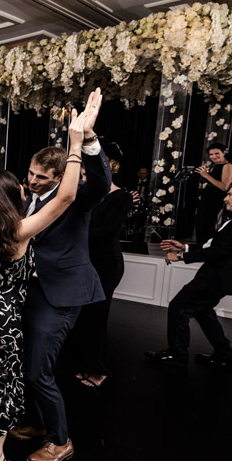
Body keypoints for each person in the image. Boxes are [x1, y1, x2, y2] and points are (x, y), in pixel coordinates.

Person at [0, 94, 93, 461]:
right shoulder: (19, 231)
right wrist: (74, 146)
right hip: (2, 315)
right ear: (11, 197)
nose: (26, 185)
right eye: (21, 183)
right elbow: (66, 196)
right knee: (6, 381)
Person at [10, 88, 110, 461]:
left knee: (38, 369)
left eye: (40, 177)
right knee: (28, 364)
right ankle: (38, 423)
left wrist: (87, 141)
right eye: (31, 174)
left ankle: (60, 440)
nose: (33, 181)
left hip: (62, 294)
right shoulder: (28, 197)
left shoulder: (76, 196)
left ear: (58, 176)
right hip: (32, 290)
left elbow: (99, 184)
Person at [148, 180, 232, 370]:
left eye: (230, 194)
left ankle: (177, 354)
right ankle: (225, 355)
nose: (225, 198)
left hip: (221, 275)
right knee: (202, 311)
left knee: (179, 307)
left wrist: (181, 256)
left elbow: (221, 251)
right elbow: (218, 245)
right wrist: (186, 246)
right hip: (217, 273)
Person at [70, 161, 135, 388]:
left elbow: (106, 231)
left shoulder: (121, 197)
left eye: (89, 174)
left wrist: (71, 232)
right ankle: (88, 362)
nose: (84, 177)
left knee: (97, 317)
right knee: (84, 317)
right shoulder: (87, 195)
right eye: (83, 173)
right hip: (86, 262)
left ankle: (101, 369)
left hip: (106, 264)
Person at [194, 142, 232, 246]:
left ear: (224, 152)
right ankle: (202, 248)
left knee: (207, 224)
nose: (214, 156)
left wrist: (206, 175)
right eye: (211, 154)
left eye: (217, 153)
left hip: (215, 198)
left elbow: (224, 187)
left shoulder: (228, 166)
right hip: (207, 197)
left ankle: (207, 249)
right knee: (201, 223)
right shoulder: (216, 166)